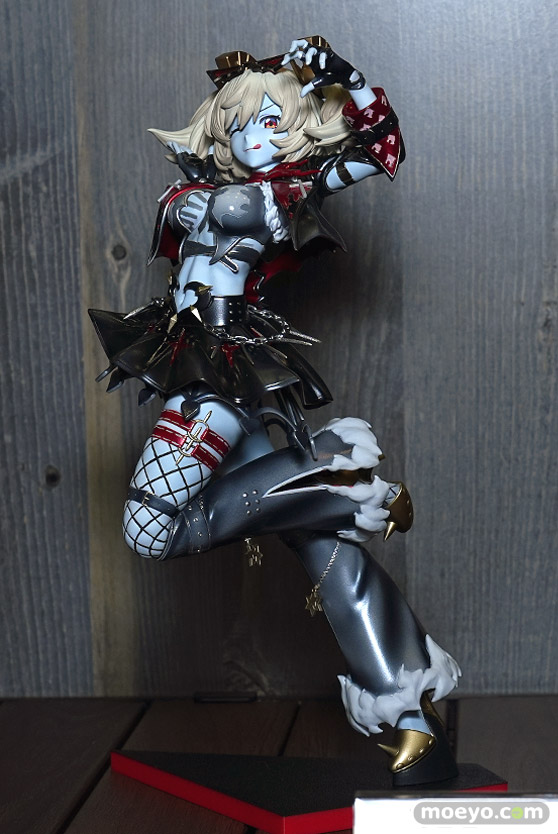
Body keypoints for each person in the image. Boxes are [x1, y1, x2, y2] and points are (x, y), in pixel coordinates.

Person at [90, 37, 460, 785]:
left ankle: (333, 478)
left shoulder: (283, 192)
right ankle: (409, 707)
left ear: (293, 130)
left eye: (272, 122)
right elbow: (185, 212)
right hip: (204, 362)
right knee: (320, 541)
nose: (254, 135)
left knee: (149, 529)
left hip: (220, 375)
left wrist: (343, 77)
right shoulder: (214, 187)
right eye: (240, 122)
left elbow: (382, 144)